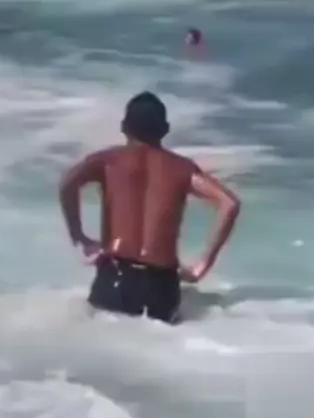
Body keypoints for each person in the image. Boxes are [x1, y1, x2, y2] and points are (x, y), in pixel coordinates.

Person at [59, 92, 240, 324]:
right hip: (162, 286)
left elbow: (68, 183)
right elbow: (229, 203)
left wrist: (79, 236)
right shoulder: (182, 169)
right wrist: (203, 265)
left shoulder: (106, 161)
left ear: (124, 127)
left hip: (115, 278)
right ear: (165, 130)